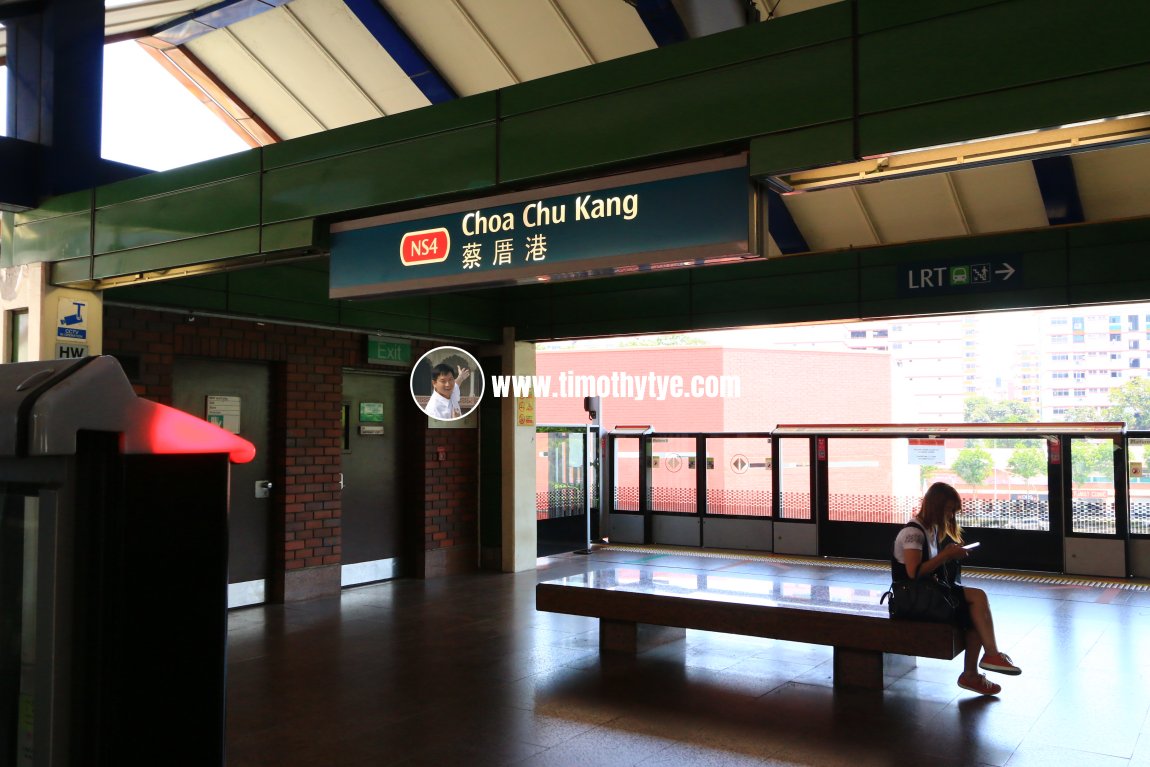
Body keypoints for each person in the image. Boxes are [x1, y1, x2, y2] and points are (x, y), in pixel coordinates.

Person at [892, 481, 1021, 695]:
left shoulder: (930, 529)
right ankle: (987, 658)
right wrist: (945, 555)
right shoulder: (913, 533)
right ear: (936, 506)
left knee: (975, 611)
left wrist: (947, 555)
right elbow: (913, 573)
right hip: (911, 600)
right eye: (950, 510)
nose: (952, 516)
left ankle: (976, 670)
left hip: (925, 595)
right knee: (977, 599)